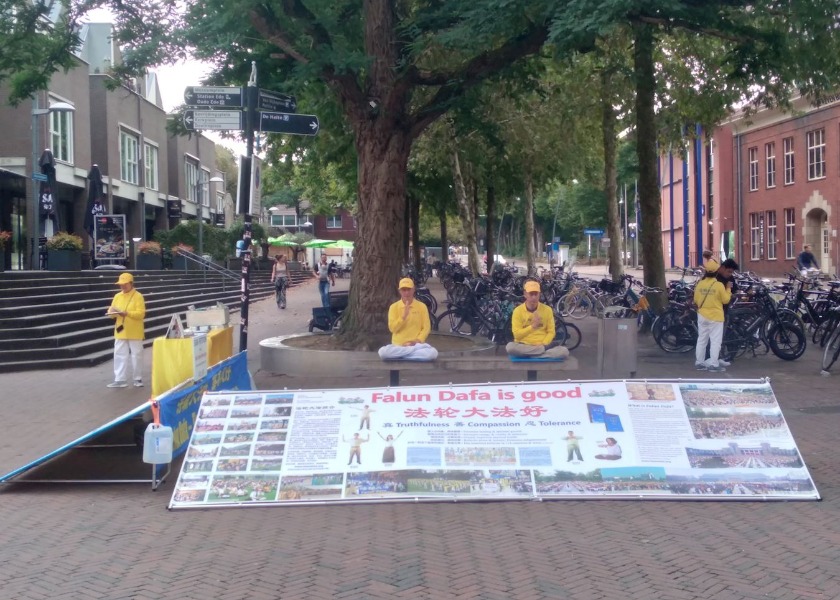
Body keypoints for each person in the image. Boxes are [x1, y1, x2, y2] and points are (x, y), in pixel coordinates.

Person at [378, 277, 438, 361]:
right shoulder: (394, 307)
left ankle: (403, 355)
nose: (406, 292)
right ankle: (409, 355)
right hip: (399, 345)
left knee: (432, 353)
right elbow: (392, 329)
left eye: (409, 289)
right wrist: (403, 317)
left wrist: (416, 341)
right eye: (404, 290)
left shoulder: (421, 306)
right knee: (382, 352)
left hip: (416, 346)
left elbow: (426, 327)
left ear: (413, 290)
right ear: (400, 291)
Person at [505, 280, 569, 358]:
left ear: (539, 294)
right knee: (510, 347)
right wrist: (533, 327)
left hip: (542, 344)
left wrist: (544, 343)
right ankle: (540, 355)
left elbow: (551, 332)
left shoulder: (547, 310)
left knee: (564, 351)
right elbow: (517, 335)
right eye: (531, 294)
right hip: (524, 344)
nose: (534, 297)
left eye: (536, 294)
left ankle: (530, 355)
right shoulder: (518, 311)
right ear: (525, 294)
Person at [106, 272, 146, 388]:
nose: (122, 286)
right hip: (120, 330)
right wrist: (111, 312)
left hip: (134, 330)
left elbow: (140, 314)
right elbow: (111, 312)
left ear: (131, 283)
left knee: (136, 354)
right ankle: (119, 379)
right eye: (121, 284)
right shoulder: (117, 296)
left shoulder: (138, 296)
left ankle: (137, 378)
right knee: (119, 354)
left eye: (125, 284)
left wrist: (127, 313)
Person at [694, 260, 732, 372]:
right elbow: (725, 300)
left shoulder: (700, 284)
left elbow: (696, 299)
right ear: (716, 272)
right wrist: (728, 288)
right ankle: (714, 364)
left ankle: (699, 362)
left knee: (701, 339)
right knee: (715, 341)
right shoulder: (719, 285)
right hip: (716, 317)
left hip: (702, 315)